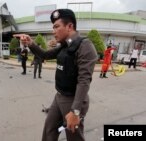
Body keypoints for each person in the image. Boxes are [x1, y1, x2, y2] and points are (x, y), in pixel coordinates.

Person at [14, 9, 97, 141]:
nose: (53, 31)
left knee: (74, 137)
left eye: (57, 26)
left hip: (73, 100)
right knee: (49, 130)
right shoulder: (64, 45)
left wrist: (76, 111)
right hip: (59, 96)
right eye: (53, 27)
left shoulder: (85, 46)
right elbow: (45, 55)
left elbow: (84, 81)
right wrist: (30, 43)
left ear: (70, 26)